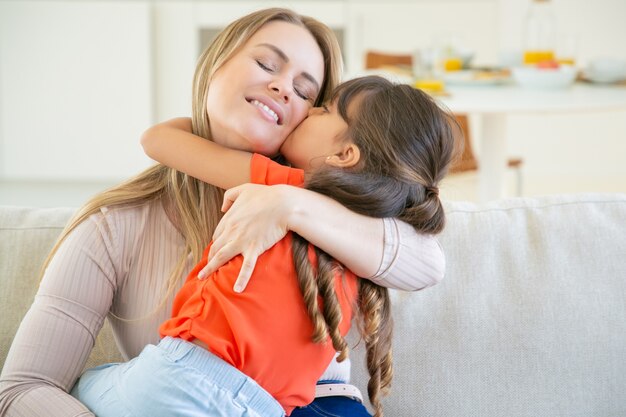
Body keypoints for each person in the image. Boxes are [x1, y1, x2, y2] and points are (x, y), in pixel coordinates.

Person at [0, 8, 445, 417]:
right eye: (267, 65)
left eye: (308, 93)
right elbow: (21, 390)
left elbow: (428, 263)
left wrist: (291, 205)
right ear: (214, 64)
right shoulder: (114, 227)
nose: (282, 87)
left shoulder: (341, 201)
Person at [71, 75, 456, 417]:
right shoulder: (371, 233)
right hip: (266, 406)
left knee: (85, 385)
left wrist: (221, 123)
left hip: (182, 376)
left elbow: (156, 139)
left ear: (344, 155)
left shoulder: (281, 182)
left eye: (322, 109)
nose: (307, 112)